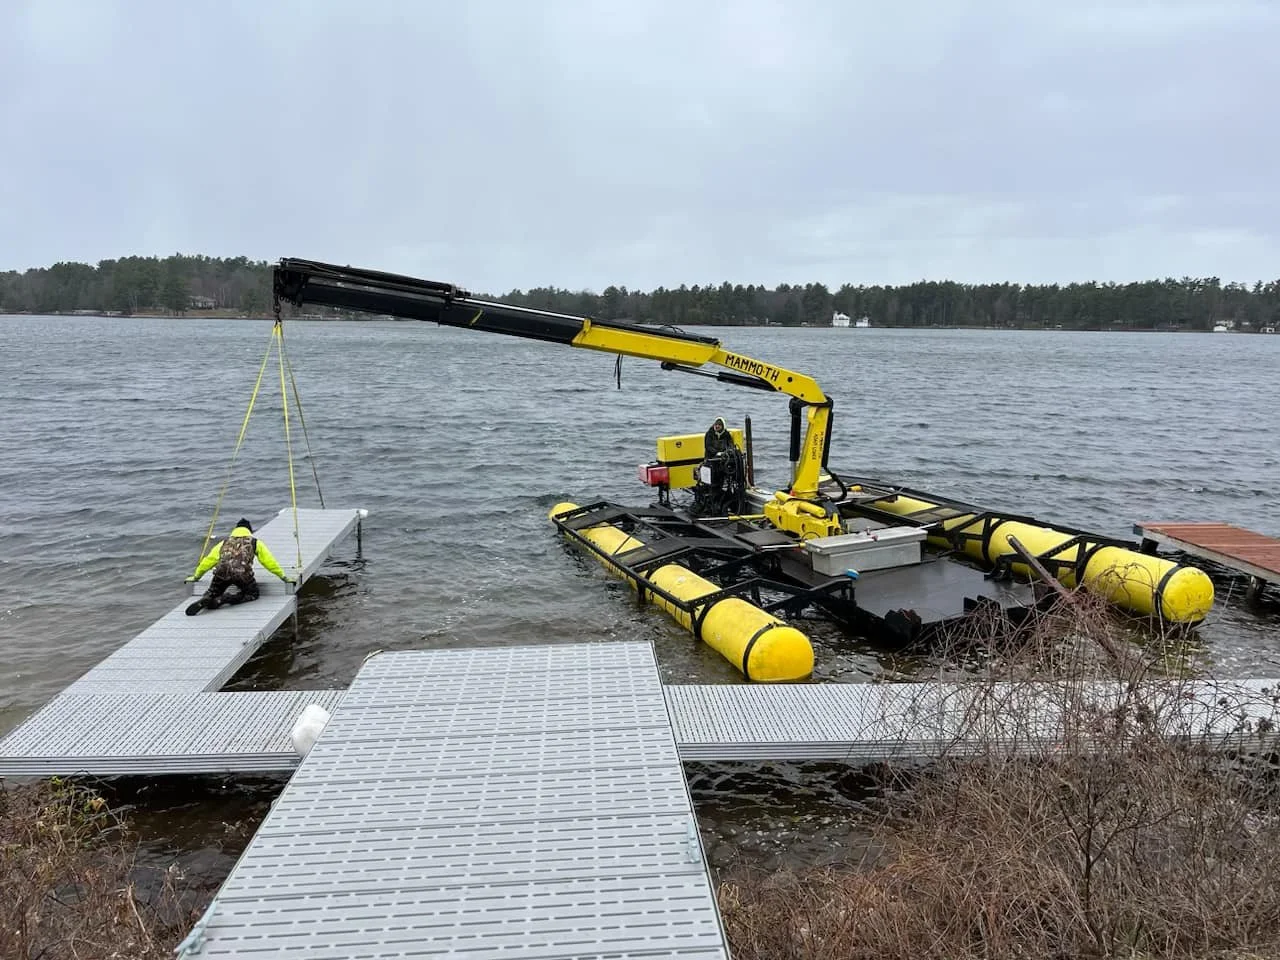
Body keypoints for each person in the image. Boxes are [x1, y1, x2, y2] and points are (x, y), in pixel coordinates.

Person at [185, 518, 294, 615]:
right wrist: (283, 577)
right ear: (249, 531)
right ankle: (225, 599)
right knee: (252, 594)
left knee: (213, 592)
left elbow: (208, 561)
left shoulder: (224, 542)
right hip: (242, 575)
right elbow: (269, 562)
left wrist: (196, 577)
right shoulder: (255, 542)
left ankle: (207, 598)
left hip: (221, 573)